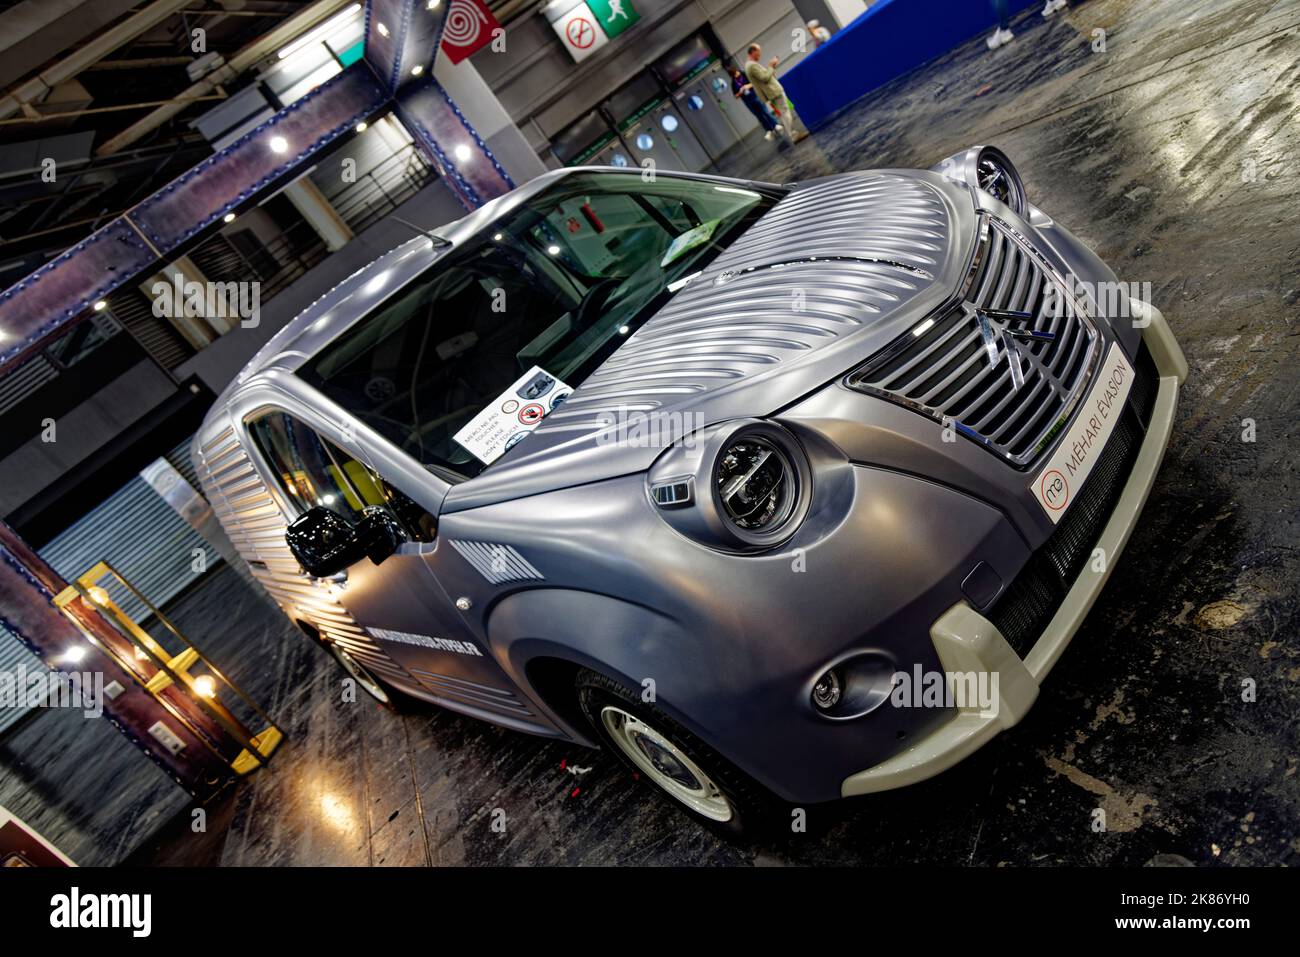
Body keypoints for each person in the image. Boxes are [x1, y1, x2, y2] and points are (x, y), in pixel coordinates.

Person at [743, 43, 791, 131]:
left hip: (770, 93)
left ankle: (792, 133)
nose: (760, 54)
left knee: (783, 112)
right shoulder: (752, 65)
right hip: (773, 92)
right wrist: (771, 66)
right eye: (758, 52)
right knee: (785, 111)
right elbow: (764, 78)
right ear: (753, 52)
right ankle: (793, 134)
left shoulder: (748, 65)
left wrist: (770, 68)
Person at [729, 66, 782, 141]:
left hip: (755, 95)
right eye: (734, 75)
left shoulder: (744, 74)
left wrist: (747, 86)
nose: (736, 75)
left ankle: (775, 124)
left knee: (765, 111)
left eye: (736, 73)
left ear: (737, 71)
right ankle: (768, 130)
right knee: (759, 116)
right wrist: (740, 92)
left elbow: (754, 82)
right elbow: (736, 95)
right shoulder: (733, 83)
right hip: (747, 100)